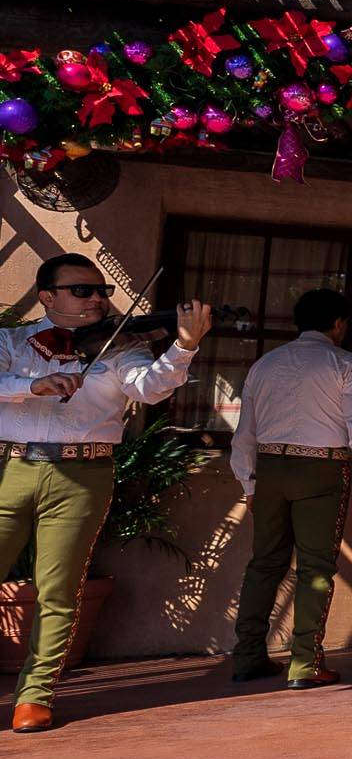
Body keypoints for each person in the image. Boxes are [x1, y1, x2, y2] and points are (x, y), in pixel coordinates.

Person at [1, 257, 210, 731]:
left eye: (101, 291)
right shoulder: (11, 342)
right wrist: (33, 385)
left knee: (60, 587)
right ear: (47, 296)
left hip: (84, 472)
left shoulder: (120, 347)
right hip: (10, 466)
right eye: (82, 291)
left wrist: (183, 346)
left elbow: (151, 388)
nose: (97, 299)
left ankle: (35, 695)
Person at [228, 288, 352, 688]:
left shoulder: (265, 364)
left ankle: (247, 656)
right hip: (322, 469)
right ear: (338, 323)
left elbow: (244, 431)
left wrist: (248, 479)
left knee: (264, 564)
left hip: (270, 466)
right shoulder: (345, 363)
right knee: (316, 568)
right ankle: (305, 662)